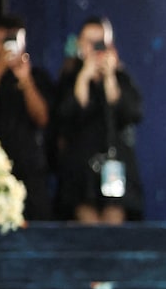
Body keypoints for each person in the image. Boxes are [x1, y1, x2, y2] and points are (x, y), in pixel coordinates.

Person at [52, 16, 145, 223]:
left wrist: (110, 77)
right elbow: (65, 115)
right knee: (87, 230)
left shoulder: (121, 78)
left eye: (100, 42)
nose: (95, 48)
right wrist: (84, 76)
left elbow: (131, 113)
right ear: (79, 44)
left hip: (114, 168)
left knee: (114, 226)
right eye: (89, 42)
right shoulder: (68, 79)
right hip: (80, 171)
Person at [0, 14, 56, 222]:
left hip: (31, 169)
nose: (9, 47)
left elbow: (42, 118)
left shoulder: (38, 76)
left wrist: (25, 80)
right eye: (3, 41)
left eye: (13, 40)